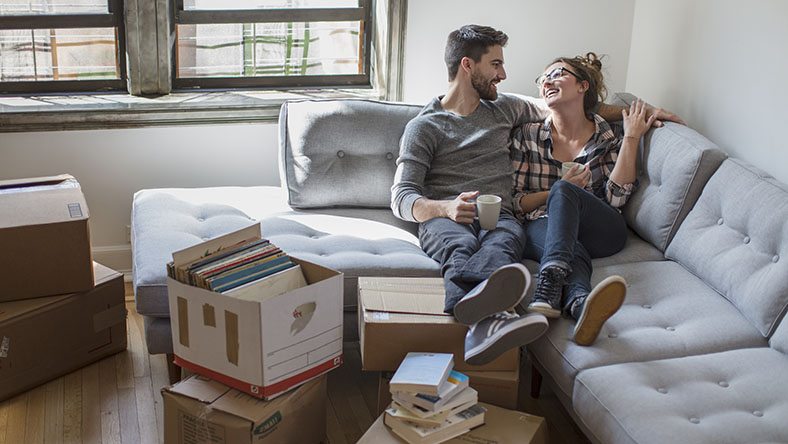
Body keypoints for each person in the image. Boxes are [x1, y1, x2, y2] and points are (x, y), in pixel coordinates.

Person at [390, 26, 673, 365]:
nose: (503, 74)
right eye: (496, 65)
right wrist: (446, 208)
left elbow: (575, 108)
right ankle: (486, 321)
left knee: (505, 242)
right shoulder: (424, 127)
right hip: (448, 217)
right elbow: (402, 196)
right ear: (468, 65)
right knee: (460, 246)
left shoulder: (505, 109)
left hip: (502, 217)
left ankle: (496, 316)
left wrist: (643, 114)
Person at [512, 53, 678, 346]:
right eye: (543, 79)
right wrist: (555, 192)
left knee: (566, 192)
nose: (547, 81)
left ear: (582, 86)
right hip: (543, 225)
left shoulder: (608, 136)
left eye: (557, 74)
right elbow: (517, 202)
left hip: (602, 230)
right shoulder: (527, 136)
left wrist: (631, 139)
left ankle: (548, 288)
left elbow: (615, 200)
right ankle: (579, 301)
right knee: (564, 236)